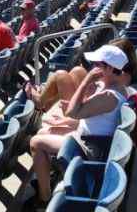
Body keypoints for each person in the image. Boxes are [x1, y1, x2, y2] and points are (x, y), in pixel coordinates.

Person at [28, 45, 130, 208]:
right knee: (43, 131)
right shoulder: (114, 86)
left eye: (97, 64)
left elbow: (72, 111)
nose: (93, 68)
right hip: (88, 137)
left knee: (35, 143)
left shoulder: (109, 96)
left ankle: (44, 196)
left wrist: (87, 81)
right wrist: (67, 122)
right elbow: (90, 116)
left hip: (89, 147)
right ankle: (50, 176)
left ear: (110, 68)